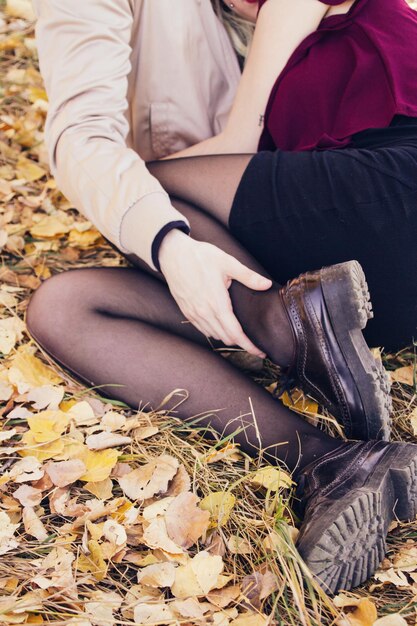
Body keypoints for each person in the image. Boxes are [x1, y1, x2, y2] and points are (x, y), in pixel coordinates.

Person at [26, 0, 417, 594]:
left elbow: (227, 146)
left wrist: (154, 224)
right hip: (333, 263)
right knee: (63, 307)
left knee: (141, 191)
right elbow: (83, 136)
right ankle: (326, 460)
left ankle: (293, 326)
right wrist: (170, 243)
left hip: (382, 205)